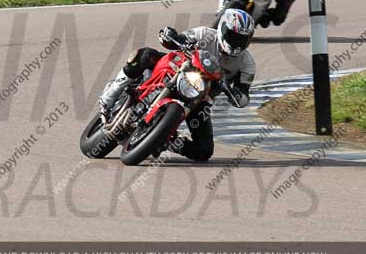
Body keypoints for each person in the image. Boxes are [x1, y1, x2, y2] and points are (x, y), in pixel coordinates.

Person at [98, 9, 257, 162]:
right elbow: (180, 38)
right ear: (223, 29)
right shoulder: (206, 34)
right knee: (145, 54)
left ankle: (166, 142)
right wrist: (171, 36)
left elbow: (243, 95)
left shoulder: (247, 64)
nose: (238, 43)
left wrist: (237, 94)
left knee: (204, 150)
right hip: (177, 70)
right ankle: (111, 94)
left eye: (243, 39)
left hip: (201, 97)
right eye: (234, 37)